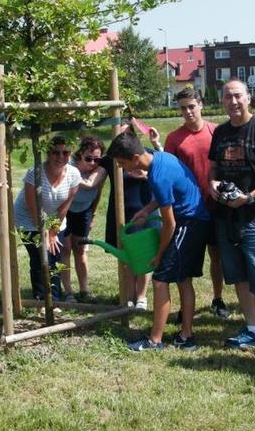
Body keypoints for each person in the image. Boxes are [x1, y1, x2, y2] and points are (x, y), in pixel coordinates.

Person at [108, 132, 210, 351]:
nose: (123, 169)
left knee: (160, 280)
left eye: (122, 164)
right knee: (183, 279)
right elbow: (166, 197)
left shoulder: (157, 175)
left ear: (135, 158)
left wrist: (159, 254)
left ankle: (155, 340)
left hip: (188, 223)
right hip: (194, 220)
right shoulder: (158, 156)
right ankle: (186, 335)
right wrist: (146, 209)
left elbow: (170, 224)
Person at [208, 78, 255, 359]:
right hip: (226, 216)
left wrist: (250, 196)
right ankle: (251, 328)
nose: (233, 101)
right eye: (228, 97)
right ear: (222, 102)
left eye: (238, 96)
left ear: (248, 98)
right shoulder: (220, 133)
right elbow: (213, 168)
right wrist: (212, 185)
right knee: (238, 274)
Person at [164, 88, 228, 318]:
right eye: (183, 108)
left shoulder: (216, 131)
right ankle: (185, 308)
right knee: (186, 258)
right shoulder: (174, 138)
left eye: (192, 106)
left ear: (200, 105)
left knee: (217, 254)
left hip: (216, 204)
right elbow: (169, 173)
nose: (188, 112)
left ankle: (218, 299)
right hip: (189, 209)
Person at [14, 135, 81, 302]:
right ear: (47, 153)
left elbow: (65, 206)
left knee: (54, 256)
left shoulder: (73, 174)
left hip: (55, 219)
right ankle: (41, 298)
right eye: (55, 153)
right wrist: (43, 232)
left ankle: (55, 299)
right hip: (28, 219)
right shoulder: (35, 173)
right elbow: (32, 207)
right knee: (39, 257)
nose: (60, 157)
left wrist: (52, 232)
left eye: (65, 153)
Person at [100, 125, 153, 309]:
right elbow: (91, 171)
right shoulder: (111, 160)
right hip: (121, 212)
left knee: (144, 255)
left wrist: (146, 175)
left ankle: (141, 297)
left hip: (143, 210)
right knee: (126, 256)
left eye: (126, 131)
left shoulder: (146, 154)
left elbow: (163, 173)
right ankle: (128, 296)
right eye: (119, 132)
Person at [66, 136, 108, 301]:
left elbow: (94, 189)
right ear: (80, 154)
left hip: (84, 211)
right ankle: (68, 292)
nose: (92, 162)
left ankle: (84, 289)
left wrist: (93, 213)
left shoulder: (100, 169)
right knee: (65, 249)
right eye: (88, 158)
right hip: (65, 210)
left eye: (96, 159)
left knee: (81, 249)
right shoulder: (68, 166)